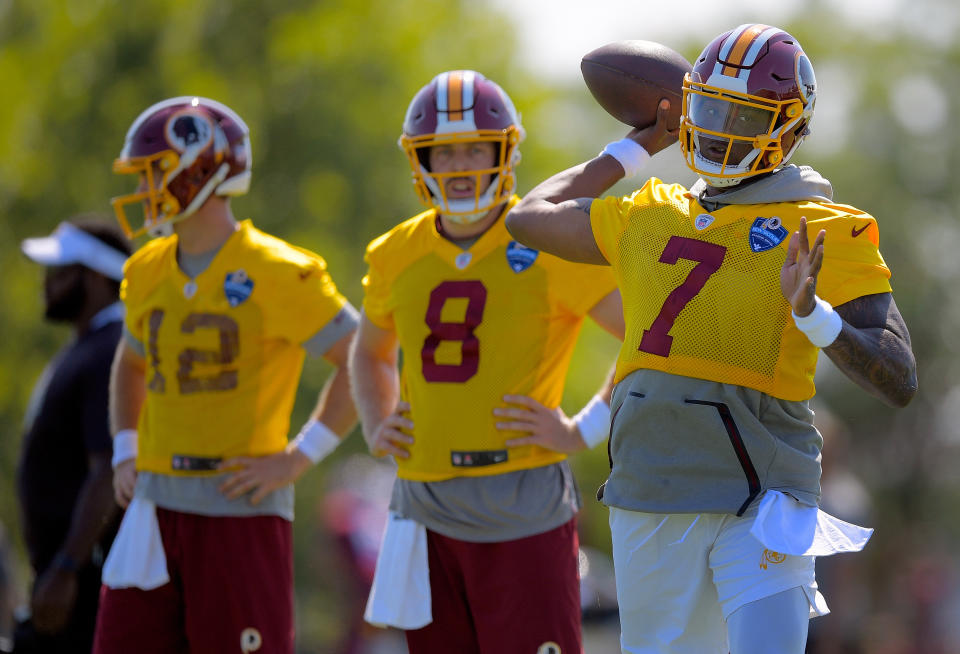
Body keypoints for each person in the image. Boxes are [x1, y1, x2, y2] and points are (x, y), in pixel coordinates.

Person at [505, 24, 918, 654]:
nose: (722, 128)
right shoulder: (649, 210)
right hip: (652, 484)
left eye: (743, 117)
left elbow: (898, 376)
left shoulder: (824, 227)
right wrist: (639, 144)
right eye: (710, 108)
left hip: (762, 493)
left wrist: (815, 316)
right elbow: (529, 216)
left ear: (788, 127)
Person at [350, 70, 624, 654]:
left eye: (476, 147)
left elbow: (647, 333)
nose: (460, 164)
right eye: (443, 152)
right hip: (424, 497)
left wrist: (585, 427)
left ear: (506, 151)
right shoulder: (395, 251)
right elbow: (369, 350)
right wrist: (377, 421)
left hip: (522, 490)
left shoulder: (548, 242)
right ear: (420, 160)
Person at [91, 97, 358, 654]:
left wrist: (298, 456)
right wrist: (124, 448)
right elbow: (131, 363)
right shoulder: (145, 270)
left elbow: (362, 360)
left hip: (239, 506)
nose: (144, 188)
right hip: (154, 504)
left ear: (203, 168)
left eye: (154, 171)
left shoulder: (278, 269)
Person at [15, 218, 131, 653]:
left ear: (98, 276)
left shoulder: (110, 350)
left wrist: (66, 570)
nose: (48, 284)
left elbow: (106, 470)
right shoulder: (89, 346)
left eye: (62, 273)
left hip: (85, 583)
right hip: (66, 576)